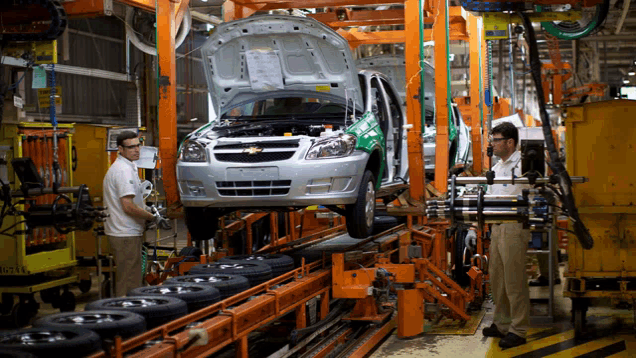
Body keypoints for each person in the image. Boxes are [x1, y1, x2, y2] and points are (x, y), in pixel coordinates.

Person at [479, 122, 531, 349]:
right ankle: (501, 324)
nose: (492, 144)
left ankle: (518, 329)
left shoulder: (523, 165)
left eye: (496, 140)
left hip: (514, 225)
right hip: (497, 225)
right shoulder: (498, 167)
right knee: (498, 278)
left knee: (514, 279)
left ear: (509, 142)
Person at [103, 131, 159, 297]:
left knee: (133, 278)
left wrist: (146, 211)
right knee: (129, 282)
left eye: (137, 145)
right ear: (120, 149)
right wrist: (152, 217)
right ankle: (125, 315)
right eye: (131, 147)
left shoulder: (129, 166)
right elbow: (127, 206)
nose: (136, 150)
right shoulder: (122, 171)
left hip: (128, 232)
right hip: (124, 234)